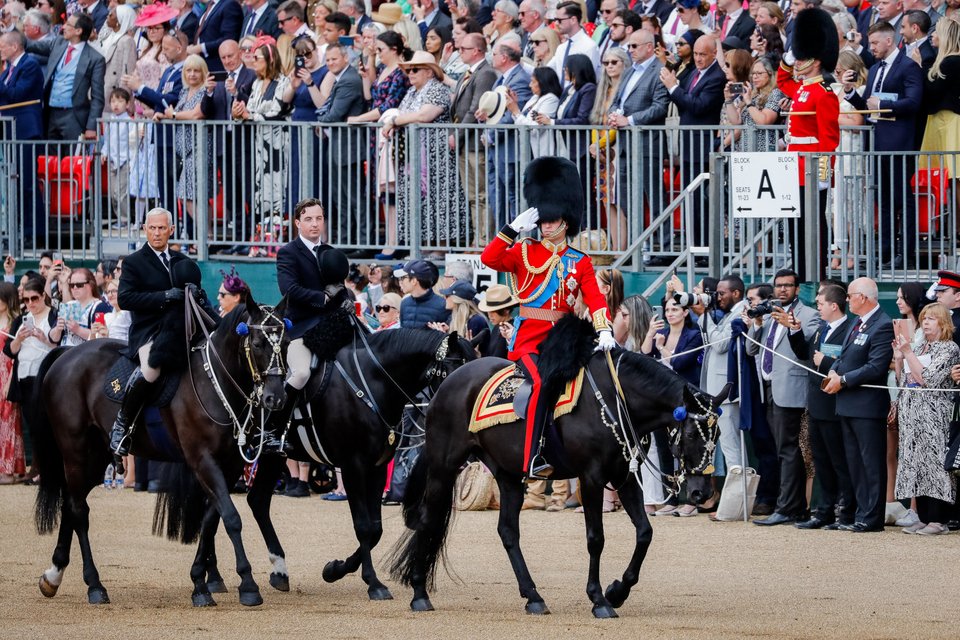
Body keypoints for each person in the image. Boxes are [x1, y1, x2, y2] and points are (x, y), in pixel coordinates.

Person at [481, 156, 614, 479]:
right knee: (539, 382)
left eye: (552, 220)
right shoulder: (524, 251)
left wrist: (604, 328)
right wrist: (511, 230)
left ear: (565, 221)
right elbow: (490, 258)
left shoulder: (579, 261)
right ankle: (532, 457)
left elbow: (595, 298)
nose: (546, 225)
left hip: (563, 341)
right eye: (543, 220)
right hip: (528, 340)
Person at [110, 208, 212, 464]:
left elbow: (196, 291)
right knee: (151, 371)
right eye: (152, 228)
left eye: (162, 228)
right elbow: (125, 298)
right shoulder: (134, 262)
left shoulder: (181, 259)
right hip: (149, 332)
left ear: (171, 230)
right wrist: (164, 297)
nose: (157, 233)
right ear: (145, 229)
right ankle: (122, 425)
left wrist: (199, 296)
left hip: (182, 330)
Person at [270, 198, 353, 452]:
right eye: (308, 219)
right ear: (297, 223)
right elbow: (289, 289)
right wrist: (322, 298)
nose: (315, 224)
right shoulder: (288, 252)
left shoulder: (330, 251)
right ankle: (274, 428)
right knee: (302, 373)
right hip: (301, 328)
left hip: (333, 323)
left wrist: (347, 299)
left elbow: (340, 286)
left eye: (319, 218)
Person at [843, 20, 923, 271]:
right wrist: (850, 93)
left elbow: (913, 102)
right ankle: (886, 251)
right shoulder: (876, 68)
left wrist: (884, 106)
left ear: (889, 41)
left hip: (899, 144)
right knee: (884, 201)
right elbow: (868, 106)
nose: (871, 47)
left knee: (902, 200)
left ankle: (906, 252)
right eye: (870, 42)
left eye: (875, 42)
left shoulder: (908, 66)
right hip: (877, 145)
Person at [746, 269, 820, 526]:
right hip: (769, 389)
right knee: (783, 450)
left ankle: (787, 507)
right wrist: (757, 324)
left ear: (797, 289)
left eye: (788, 286)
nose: (783, 290)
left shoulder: (809, 315)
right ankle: (794, 506)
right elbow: (751, 349)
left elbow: (805, 354)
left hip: (792, 391)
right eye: (778, 286)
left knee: (789, 450)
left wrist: (791, 327)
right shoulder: (767, 317)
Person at [822, 277, 895, 532]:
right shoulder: (858, 323)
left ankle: (872, 517)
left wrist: (843, 379)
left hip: (867, 405)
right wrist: (833, 371)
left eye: (850, 295)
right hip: (848, 403)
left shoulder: (882, 325)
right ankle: (861, 513)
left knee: (871, 462)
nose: (847, 299)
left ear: (863, 297)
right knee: (854, 462)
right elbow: (843, 357)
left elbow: (876, 366)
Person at [776, 8, 839, 279]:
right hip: (794, 162)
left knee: (813, 225)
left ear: (814, 61)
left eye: (801, 57)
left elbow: (829, 138)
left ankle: (816, 271)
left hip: (811, 165)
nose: (797, 62)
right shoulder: (802, 88)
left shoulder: (823, 94)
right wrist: (790, 53)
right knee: (795, 225)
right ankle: (800, 270)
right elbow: (782, 79)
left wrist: (823, 173)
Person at [787, 283, 855, 530]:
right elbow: (805, 354)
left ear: (833, 306)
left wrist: (826, 361)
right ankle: (824, 511)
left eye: (821, 303)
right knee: (822, 461)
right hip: (816, 403)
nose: (818, 307)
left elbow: (847, 364)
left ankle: (846, 512)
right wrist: (794, 331)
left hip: (834, 405)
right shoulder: (821, 329)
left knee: (840, 461)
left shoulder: (850, 329)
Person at [387, 50, 469, 249]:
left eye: (415, 69)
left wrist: (394, 121)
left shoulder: (437, 89)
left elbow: (425, 116)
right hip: (414, 156)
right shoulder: (412, 92)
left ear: (430, 72)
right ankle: (421, 246)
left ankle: (439, 247)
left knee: (438, 201)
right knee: (419, 200)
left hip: (436, 158)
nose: (411, 73)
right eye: (408, 70)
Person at [893, 303, 960, 535]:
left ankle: (939, 520)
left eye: (932, 318)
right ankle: (922, 516)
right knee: (916, 463)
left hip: (935, 415)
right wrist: (900, 358)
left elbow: (928, 380)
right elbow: (904, 381)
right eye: (924, 318)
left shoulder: (949, 349)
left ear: (943, 322)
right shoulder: (920, 347)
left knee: (935, 465)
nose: (927, 322)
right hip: (912, 415)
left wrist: (909, 353)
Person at [659, 32, 725, 247]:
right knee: (690, 199)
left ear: (714, 54)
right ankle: (693, 245)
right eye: (695, 53)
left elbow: (698, 105)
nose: (697, 58)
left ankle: (703, 246)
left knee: (699, 202)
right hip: (689, 145)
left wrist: (673, 87)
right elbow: (685, 102)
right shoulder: (694, 73)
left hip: (701, 146)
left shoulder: (716, 77)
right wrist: (675, 89)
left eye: (703, 54)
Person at [233, 38, 292, 232]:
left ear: (270, 60)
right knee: (261, 187)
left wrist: (250, 115)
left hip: (278, 142)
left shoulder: (283, 82)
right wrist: (239, 113)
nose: (253, 61)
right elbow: (250, 109)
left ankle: (278, 231)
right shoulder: (257, 84)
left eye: (257, 58)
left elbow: (277, 111)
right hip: (260, 143)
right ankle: (263, 233)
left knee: (277, 185)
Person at [448, 33, 497, 249]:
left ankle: (485, 239)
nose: (460, 52)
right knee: (472, 195)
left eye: (464, 49)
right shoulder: (467, 73)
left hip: (474, 143)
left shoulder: (484, 73)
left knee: (481, 193)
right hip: (465, 144)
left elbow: (474, 109)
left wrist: (456, 134)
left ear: (477, 50)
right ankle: (478, 238)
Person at [158, 53, 210, 244]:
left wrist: (173, 115)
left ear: (203, 72)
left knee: (190, 196)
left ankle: (206, 236)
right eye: (189, 70)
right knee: (190, 196)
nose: (193, 74)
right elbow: (173, 112)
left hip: (197, 149)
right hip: (183, 150)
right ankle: (205, 236)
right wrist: (161, 115)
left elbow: (196, 114)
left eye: (197, 70)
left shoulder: (205, 91)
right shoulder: (183, 92)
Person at [28, 12, 105, 140]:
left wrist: (91, 126)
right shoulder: (58, 43)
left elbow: (97, 97)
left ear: (78, 31)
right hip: (51, 112)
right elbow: (32, 45)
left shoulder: (95, 59)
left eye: (68, 24)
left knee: (71, 158)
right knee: (50, 158)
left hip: (74, 116)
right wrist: (9, 32)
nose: (63, 27)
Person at [589, 47, 630, 250]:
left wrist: (600, 144)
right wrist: (596, 144)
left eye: (614, 62)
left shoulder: (625, 88)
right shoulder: (603, 91)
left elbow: (615, 124)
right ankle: (614, 247)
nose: (610, 66)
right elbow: (597, 120)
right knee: (607, 202)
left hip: (617, 150)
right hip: (603, 152)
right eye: (606, 63)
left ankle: (621, 249)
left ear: (624, 63)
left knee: (618, 201)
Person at [505, 66, 563, 157]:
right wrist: (514, 107)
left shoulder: (551, 99)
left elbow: (535, 129)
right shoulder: (535, 97)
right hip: (529, 149)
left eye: (533, 82)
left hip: (542, 151)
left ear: (542, 83)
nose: (529, 85)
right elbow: (522, 119)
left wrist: (516, 111)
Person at [50, 267, 112, 346]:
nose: (75, 288)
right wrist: (58, 329)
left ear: (91, 285)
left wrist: (78, 330)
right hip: (65, 354)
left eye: (79, 285)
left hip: (85, 355)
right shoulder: (69, 305)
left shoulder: (100, 306)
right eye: (72, 285)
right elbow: (52, 339)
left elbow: (100, 338)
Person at [0, 283, 23, 484]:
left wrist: (9, 380)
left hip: (7, 373)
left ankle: (9, 470)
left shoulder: (15, 321)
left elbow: (15, 355)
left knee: (8, 421)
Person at [96, 4, 138, 117]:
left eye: (111, 15)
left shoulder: (127, 41)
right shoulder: (108, 37)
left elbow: (127, 72)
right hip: (104, 93)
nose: (107, 16)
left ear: (120, 19)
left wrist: (121, 100)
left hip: (116, 100)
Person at [547, 2, 600, 89]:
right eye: (555, 20)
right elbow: (548, 71)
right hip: (562, 98)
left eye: (559, 20)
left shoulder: (589, 46)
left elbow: (587, 83)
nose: (556, 23)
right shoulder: (561, 48)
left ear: (573, 20)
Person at [188, 0, 244, 74]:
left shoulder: (230, 4)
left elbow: (228, 39)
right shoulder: (209, 4)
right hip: (203, 64)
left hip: (218, 65)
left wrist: (201, 48)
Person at [396, 260, 448, 329]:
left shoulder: (442, 305)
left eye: (402, 278)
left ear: (414, 281)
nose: (400, 282)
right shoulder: (405, 303)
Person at [476, 283, 518, 358]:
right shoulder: (496, 328)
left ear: (506, 310)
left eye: (493, 311)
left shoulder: (513, 328)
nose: (489, 315)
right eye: (488, 311)